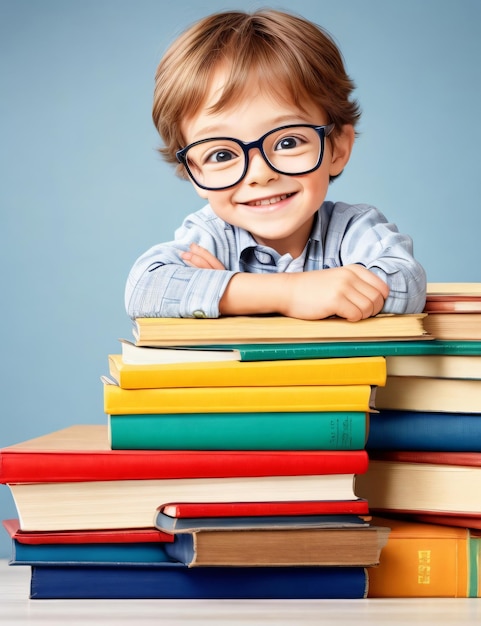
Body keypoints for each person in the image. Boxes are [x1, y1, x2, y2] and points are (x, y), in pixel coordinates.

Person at [125, 9, 426, 321]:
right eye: (222, 154)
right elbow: (144, 287)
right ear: (196, 172)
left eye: (288, 142)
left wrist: (227, 293)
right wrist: (289, 292)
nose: (261, 174)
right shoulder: (209, 238)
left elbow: (408, 283)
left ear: (336, 148)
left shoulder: (354, 229)